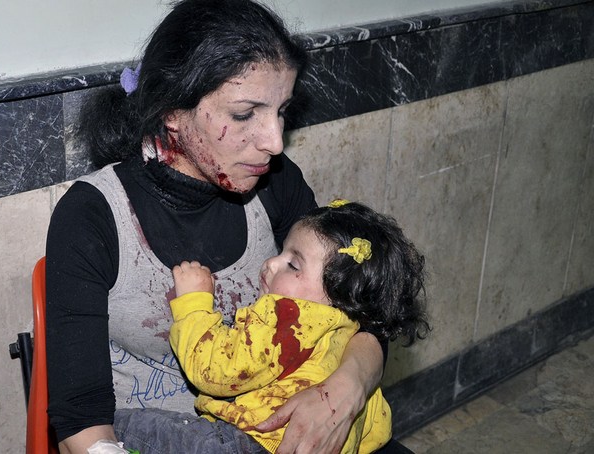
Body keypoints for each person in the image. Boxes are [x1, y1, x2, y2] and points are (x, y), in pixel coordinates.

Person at [46, 0, 388, 452]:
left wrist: (348, 386)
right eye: (245, 115)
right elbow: (80, 418)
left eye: (282, 110)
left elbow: (363, 309)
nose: (274, 141)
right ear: (172, 111)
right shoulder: (92, 214)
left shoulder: (277, 183)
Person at [166, 201, 430, 453]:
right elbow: (377, 431)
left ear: (339, 297)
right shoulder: (348, 334)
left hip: (247, 443)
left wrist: (193, 305)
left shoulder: (288, 320)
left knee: (143, 427)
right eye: (282, 251)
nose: (271, 263)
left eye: (292, 265)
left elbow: (216, 371)